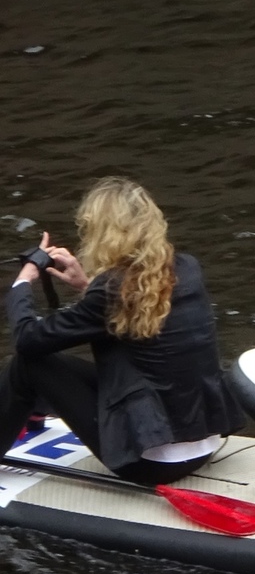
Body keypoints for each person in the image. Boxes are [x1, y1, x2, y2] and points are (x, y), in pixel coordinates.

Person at [2, 178, 238, 482]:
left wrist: (22, 282)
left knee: (28, 366)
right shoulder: (187, 267)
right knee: (60, 365)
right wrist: (85, 285)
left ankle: (24, 411)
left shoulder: (111, 289)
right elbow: (136, 321)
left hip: (148, 463)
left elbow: (27, 340)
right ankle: (32, 412)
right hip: (206, 445)